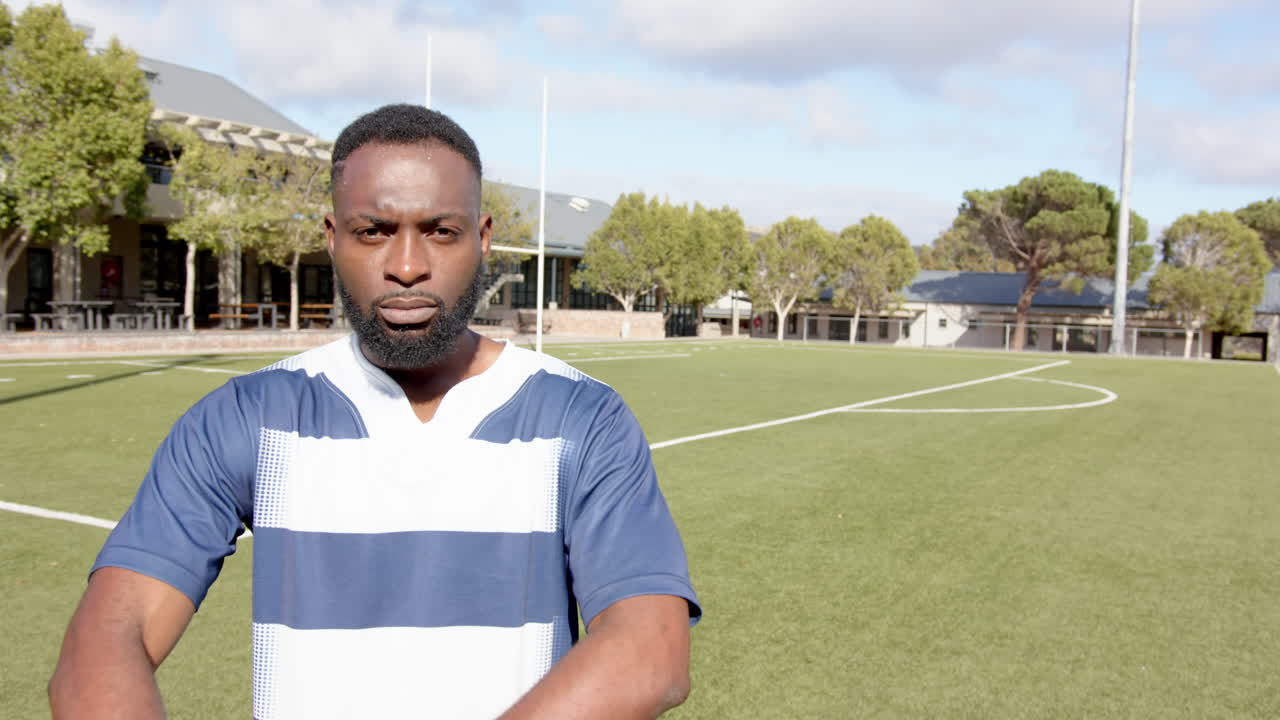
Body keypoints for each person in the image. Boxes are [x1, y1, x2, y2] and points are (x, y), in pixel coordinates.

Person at [48, 104, 701, 719]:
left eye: (440, 232)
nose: (408, 266)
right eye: (374, 232)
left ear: (482, 239)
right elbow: (110, 632)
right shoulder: (246, 417)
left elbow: (651, 650)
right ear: (334, 239)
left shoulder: (583, 418)